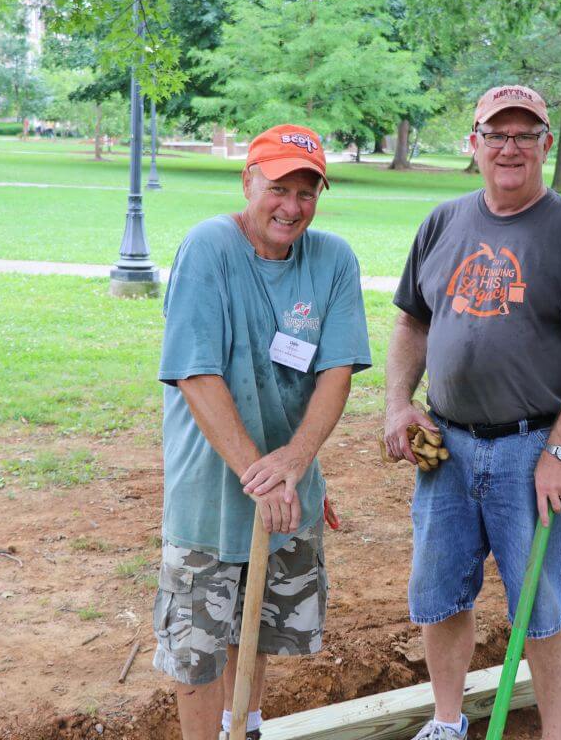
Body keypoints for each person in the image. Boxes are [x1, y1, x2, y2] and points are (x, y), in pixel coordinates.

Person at [384, 85, 561, 740]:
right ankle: (445, 721)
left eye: (526, 134)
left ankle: (553, 734)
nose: (511, 147)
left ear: (547, 144)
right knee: (441, 598)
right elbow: (413, 323)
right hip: (446, 446)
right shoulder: (442, 222)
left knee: (543, 608)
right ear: (474, 143)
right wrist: (399, 403)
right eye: (497, 134)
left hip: (532, 449)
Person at [152, 124, 372, 740]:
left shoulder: (332, 259)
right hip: (210, 493)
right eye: (278, 188)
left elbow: (336, 371)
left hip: (287, 487)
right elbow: (196, 375)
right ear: (248, 181)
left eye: (307, 192)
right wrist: (261, 474)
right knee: (199, 646)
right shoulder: (209, 249)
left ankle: (242, 727)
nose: (291, 206)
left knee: (259, 631)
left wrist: (294, 465)